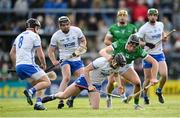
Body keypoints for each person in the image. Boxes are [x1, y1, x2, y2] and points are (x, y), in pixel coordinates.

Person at [41, 53, 126, 109]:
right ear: (114, 60)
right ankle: (52, 96)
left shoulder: (117, 67)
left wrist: (119, 86)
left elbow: (116, 74)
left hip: (96, 85)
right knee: (64, 96)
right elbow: (85, 70)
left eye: (120, 65)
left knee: (95, 108)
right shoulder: (100, 62)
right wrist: (89, 85)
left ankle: (71, 100)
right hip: (84, 80)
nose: (118, 66)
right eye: (118, 64)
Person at [99, 34, 159, 110]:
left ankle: (136, 105)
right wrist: (108, 58)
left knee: (138, 83)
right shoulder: (119, 43)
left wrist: (153, 78)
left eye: (134, 47)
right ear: (127, 43)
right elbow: (102, 51)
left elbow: (154, 62)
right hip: (114, 64)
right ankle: (109, 97)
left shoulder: (139, 50)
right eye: (130, 46)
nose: (131, 48)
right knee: (111, 82)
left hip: (125, 66)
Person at [9, 18, 51, 110]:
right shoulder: (35, 36)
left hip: (19, 67)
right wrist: (43, 64)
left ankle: (38, 103)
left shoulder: (19, 36)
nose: (38, 30)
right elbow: (40, 54)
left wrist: (16, 66)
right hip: (28, 65)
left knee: (40, 84)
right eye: (38, 28)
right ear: (35, 27)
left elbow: (12, 53)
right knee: (47, 82)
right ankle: (30, 91)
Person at [48, 16, 87, 109]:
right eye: (63, 25)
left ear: (70, 24)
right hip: (65, 59)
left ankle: (71, 99)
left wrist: (80, 49)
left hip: (76, 59)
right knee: (67, 77)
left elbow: (83, 41)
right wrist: (54, 61)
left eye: (67, 24)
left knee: (83, 80)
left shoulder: (76, 30)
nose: (66, 26)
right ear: (59, 26)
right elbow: (50, 51)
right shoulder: (56, 36)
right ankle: (61, 100)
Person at [103, 9, 137, 107]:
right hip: (116, 57)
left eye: (124, 15)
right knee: (110, 81)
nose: (122, 17)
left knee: (124, 79)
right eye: (120, 15)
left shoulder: (132, 28)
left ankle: (123, 95)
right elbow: (106, 41)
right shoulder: (113, 28)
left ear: (127, 17)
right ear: (118, 17)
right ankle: (109, 97)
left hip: (129, 57)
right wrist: (118, 45)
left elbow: (137, 41)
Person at [137, 8, 168, 104]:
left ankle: (159, 91)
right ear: (148, 16)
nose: (153, 16)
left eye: (155, 15)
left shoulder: (160, 24)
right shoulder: (143, 28)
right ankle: (145, 96)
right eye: (151, 15)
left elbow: (163, 35)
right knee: (147, 78)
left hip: (159, 53)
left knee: (164, 75)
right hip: (148, 55)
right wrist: (147, 44)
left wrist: (164, 37)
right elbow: (138, 42)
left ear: (157, 16)